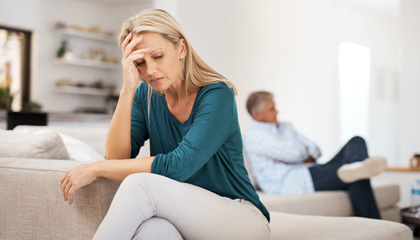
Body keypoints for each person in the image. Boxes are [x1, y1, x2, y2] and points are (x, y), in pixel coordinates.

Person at [59, 8, 270, 240]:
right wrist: (127, 89)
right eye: (139, 62)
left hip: (240, 218)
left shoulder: (217, 94)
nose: (150, 71)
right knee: (152, 231)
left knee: (141, 185)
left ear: (181, 48)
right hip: (183, 215)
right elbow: (117, 158)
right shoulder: (145, 96)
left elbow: (179, 166)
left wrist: (95, 167)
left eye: (157, 57)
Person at [244, 91, 387, 219]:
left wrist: (298, 153)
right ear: (258, 114)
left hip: (311, 169)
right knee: (356, 177)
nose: (277, 112)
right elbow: (294, 153)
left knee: (357, 140)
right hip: (292, 181)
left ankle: (357, 164)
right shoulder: (254, 136)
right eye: (272, 109)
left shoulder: (286, 126)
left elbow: (316, 150)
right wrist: (301, 151)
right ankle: (356, 168)